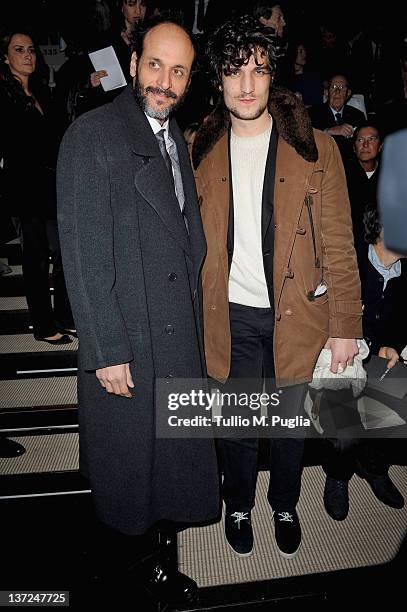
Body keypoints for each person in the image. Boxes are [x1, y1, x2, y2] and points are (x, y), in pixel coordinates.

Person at [57, 15, 219, 605]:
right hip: (130, 340)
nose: (165, 81)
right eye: (156, 65)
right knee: (130, 476)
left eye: (179, 71)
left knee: (167, 472)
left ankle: (157, 570)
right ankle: (123, 585)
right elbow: (82, 250)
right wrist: (105, 349)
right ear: (133, 64)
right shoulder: (92, 134)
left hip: (174, 335)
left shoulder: (173, 137)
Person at [192, 15, 362, 559]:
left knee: (289, 426)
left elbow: (340, 245)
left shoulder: (317, 150)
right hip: (232, 314)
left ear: (274, 77)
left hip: (298, 314)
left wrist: (345, 329)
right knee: (239, 426)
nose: (246, 85)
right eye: (235, 72)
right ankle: (237, 501)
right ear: (218, 80)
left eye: (258, 71)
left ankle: (284, 502)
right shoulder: (197, 148)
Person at [321, 203, 406, 521]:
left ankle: (372, 465)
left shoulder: (404, 274)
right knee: (345, 423)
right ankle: (338, 475)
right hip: (337, 353)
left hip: (375, 357)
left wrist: (391, 345)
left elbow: (401, 324)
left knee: (401, 393)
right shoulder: (349, 262)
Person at [0, 30, 74, 344]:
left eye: (31, 49)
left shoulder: (42, 91)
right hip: (22, 188)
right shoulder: (3, 95)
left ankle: (65, 316)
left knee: (63, 252)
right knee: (35, 258)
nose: (28, 55)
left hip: (49, 185)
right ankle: (44, 326)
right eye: (19, 50)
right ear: (5, 58)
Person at [308, 74, 366, 162]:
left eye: (342, 87)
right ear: (326, 92)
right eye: (333, 87)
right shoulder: (312, 113)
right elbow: (305, 138)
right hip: (322, 162)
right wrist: (327, 131)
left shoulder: (357, 115)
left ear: (348, 93)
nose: (337, 91)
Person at [345, 124, 383, 245]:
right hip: (350, 241)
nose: (365, 145)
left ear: (380, 146)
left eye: (371, 139)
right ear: (354, 147)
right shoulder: (342, 173)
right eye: (360, 140)